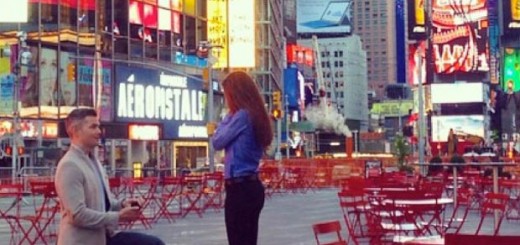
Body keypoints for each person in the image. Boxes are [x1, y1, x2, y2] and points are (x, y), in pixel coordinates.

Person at [55, 108, 165, 245]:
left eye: (99, 126)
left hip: (105, 237)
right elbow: (77, 215)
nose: (99, 132)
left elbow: (103, 204)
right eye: (93, 127)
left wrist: (123, 204)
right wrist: (118, 217)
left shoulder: (94, 161)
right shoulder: (70, 165)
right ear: (75, 130)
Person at [211, 71, 273, 245]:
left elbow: (217, 141)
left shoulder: (241, 116)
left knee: (237, 240)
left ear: (235, 95)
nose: (226, 101)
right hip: (251, 187)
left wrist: (226, 117)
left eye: (227, 96)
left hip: (240, 189)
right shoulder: (254, 115)